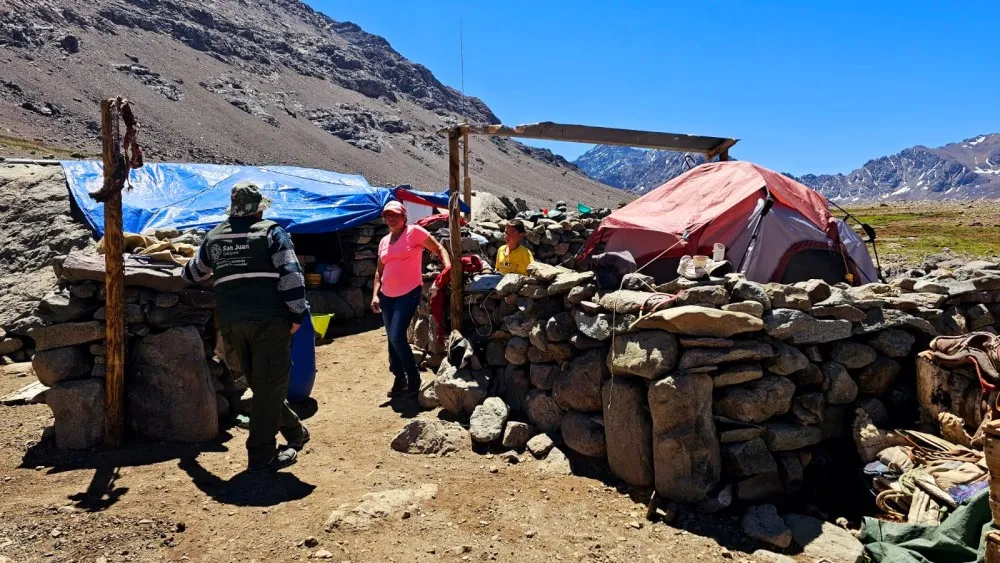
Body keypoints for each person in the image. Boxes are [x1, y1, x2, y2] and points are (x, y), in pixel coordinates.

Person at [182, 181, 310, 473]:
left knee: (259, 383)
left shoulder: (213, 237)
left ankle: (294, 432)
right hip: (269, 320)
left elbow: (193, 272)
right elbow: (291, 276)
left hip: (232, 322)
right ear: (259, 208)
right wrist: (297, 315)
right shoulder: (271, 232)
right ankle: (262, 454)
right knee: (271, 385)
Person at [372, 201, 451, 397]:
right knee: (392, 340)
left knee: (398, 336)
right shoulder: (384, 241)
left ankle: (414, 378)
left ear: (404, 216)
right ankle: (399, 378)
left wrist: (448, 269)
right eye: (387, 215)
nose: (391, 218)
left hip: (408, 293)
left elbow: (439, 248)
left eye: (395, 215)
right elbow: (378, 271)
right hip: (387, 295)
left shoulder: (414, 232)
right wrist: (375, 294)